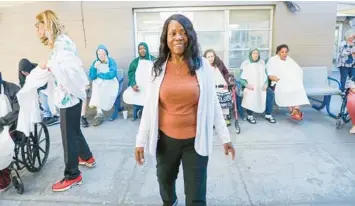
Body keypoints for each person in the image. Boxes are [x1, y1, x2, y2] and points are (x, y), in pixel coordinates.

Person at [134, 14, 235, 206]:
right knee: (165, 181)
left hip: (195, 142)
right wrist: (140, 140)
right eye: (172, 33)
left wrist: (225, 137)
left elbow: (213, 103)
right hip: (165, 141)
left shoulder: (202, 65)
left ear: (190, 36)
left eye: (183, 32)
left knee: (196, 194)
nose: (178, 37)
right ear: (166, 38)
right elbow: (149, 107)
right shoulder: (157, 68)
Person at [35, 10, 95, 192]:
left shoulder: (62, 44)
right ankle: (87, 157)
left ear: (46, 25)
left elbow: (69, 71)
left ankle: (72, 175)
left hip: (69, 97)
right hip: (72, 96)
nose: (37, 30)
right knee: (74, 130)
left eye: (38, 26)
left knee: (68, 136)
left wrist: (48, 65)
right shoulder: (61, 42)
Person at [266, 44, 309, 121]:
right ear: (278, 52)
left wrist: (292, 79)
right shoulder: (272, 60)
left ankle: (296, 109)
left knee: (298, 88)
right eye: (282, 52)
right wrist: (279, 80)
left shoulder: (289, 59)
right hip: (278, 82)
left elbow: (298, 70)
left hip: (290, 81)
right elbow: (270, 75)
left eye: (286, 52)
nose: (284, 54)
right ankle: (292, 110)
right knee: (286, 89)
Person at [18, 58, 60, 126]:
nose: (25, 74)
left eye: (25, 72)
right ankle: (47, 115)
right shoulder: (21, 73)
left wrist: (37, 91)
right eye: (23, 72)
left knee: (48, 99)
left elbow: (44, 80)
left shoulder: (36, 68)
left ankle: (50, 115)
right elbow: (23, 85)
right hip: (34, 90)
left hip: (45, 87)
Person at [240, 49, 276, 124]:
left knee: (270, 93)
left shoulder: (262, 63)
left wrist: (266, 84)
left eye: (257, 53)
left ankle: (268, 114)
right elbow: (241, 78)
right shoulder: (246, 63)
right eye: (254, 53)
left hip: (261, 86)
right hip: (250, 85)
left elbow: (265, 76)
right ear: (250, 54)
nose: (256, 55)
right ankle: (250, 115)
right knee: (251, 94)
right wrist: (246, 85)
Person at [89, 45, 119, 126]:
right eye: (99, 54)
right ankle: (99, 112)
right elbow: (92, 76)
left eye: (103, 53)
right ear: (97, 54)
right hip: (99, 84)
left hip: (110, 82)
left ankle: (105, 106)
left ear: (106, 53)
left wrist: (101, 75)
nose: (101, 55)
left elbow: (112, 74)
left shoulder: (111, 61)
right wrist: (94, 68)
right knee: (97, 87)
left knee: (102, 88)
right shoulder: (95, 62)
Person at [124, 42, 155, 121]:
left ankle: (148, 113)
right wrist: (133, 84)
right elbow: (131, 74)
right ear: (138, 50)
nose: (142, 50)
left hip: (150, 85)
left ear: (147, 49)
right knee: (139, 98)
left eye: (144, 48)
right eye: (140, 49)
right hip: (139, 86)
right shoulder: (135, 62)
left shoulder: (153, 60)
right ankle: (141, 111)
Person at [0, 72, 20, 192]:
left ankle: (4, 178)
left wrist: (2, 121)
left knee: (1, 145)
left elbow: (18, 110)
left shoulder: (12, 89)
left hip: (11, 125)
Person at [204, 49, 234, 126]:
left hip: (222, 85)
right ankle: (214, 120)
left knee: (224, 100)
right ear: (205, 58)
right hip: (211, 87)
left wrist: (228, 80)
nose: (211, 58)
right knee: (212, 103)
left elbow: (226, 72)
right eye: (208, 57)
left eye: (212, 56)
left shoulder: (219, 63)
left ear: (214, 56)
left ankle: (225, 118)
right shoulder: (203, 66)